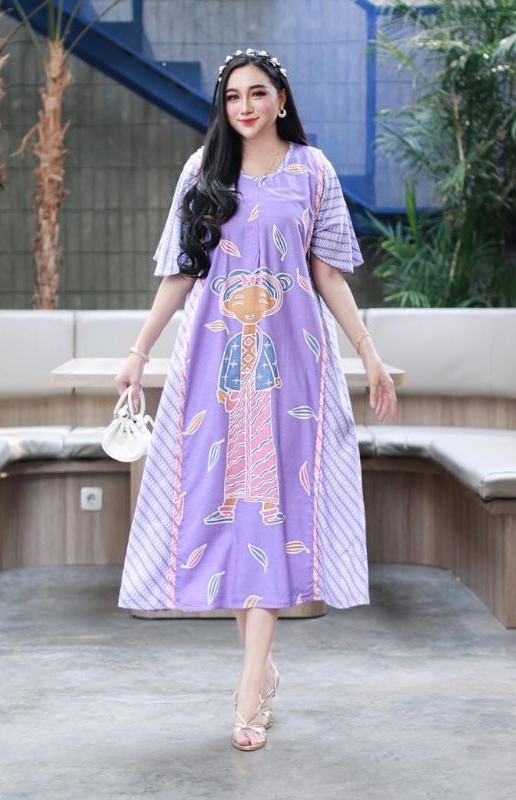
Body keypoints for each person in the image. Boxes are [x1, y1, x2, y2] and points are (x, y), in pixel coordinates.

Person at [114, 47, 397, 752]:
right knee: (235, 508)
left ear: (281, 98)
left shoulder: (313, 171)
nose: (245, 106)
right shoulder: (201, 171)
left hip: (294, 366)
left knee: (276, 504)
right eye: (234, 96)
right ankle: (261, 670)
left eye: (258, 93)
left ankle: (248, 688)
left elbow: (329, 275)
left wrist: (368, 352)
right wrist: (139, 352)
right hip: (212, 366)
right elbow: (181, 274)